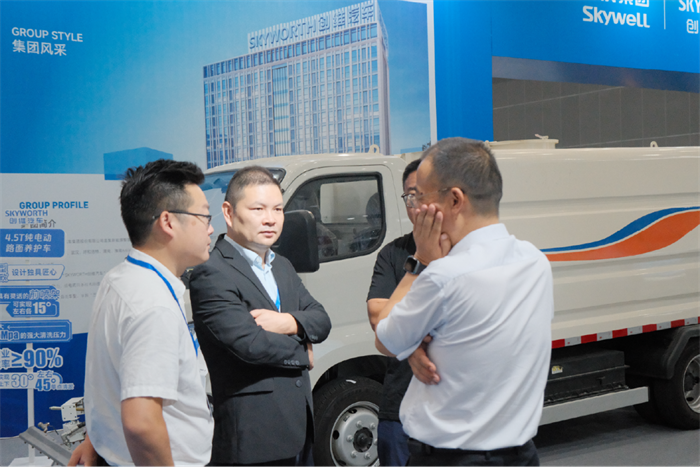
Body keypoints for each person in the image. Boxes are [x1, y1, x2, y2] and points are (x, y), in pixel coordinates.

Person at [374, 138, 554, 467]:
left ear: (454, 200)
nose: (416, 208)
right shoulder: (535, 262)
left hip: (450, 459)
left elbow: (386, 338)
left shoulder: (443, 275)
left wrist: (420, 261)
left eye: (420, 196)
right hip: (520, 456)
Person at [71, 159, 215, 467]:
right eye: (204, 216)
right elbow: (141, 423)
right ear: (168, 222)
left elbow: (113, 379)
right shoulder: (153, 304)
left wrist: (95, 439)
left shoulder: (122, 279)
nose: (211, 228)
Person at [189, 166, 332, 467]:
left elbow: (321, 319)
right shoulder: (212, 272)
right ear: (228, 213)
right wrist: (303, 351)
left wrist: (288, 323)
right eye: (258, 209)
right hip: (254, 437)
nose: (271, 219)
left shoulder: (282, 266)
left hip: (299, 428)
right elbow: (250, 344)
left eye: (278, 209)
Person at [366, 159, 420, 467]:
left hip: (454, 407)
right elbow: (379, 320)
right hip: (400, 403)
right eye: (410, 196)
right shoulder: (393, 253)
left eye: (424, 194)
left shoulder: (463, 252)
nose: (416, 204)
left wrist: (407, 327)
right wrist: (421, 260)